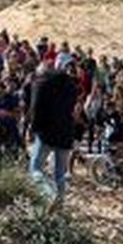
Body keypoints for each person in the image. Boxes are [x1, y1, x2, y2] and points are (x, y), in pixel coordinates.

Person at [28, 58, 79, 201]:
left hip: (46, 132)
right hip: (66, 132)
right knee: (60, 174)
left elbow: (35, 108)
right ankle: (59, 205)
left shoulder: (41, 84)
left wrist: (33, 128)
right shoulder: (71, 85)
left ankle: (50, 195)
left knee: (35, 168)